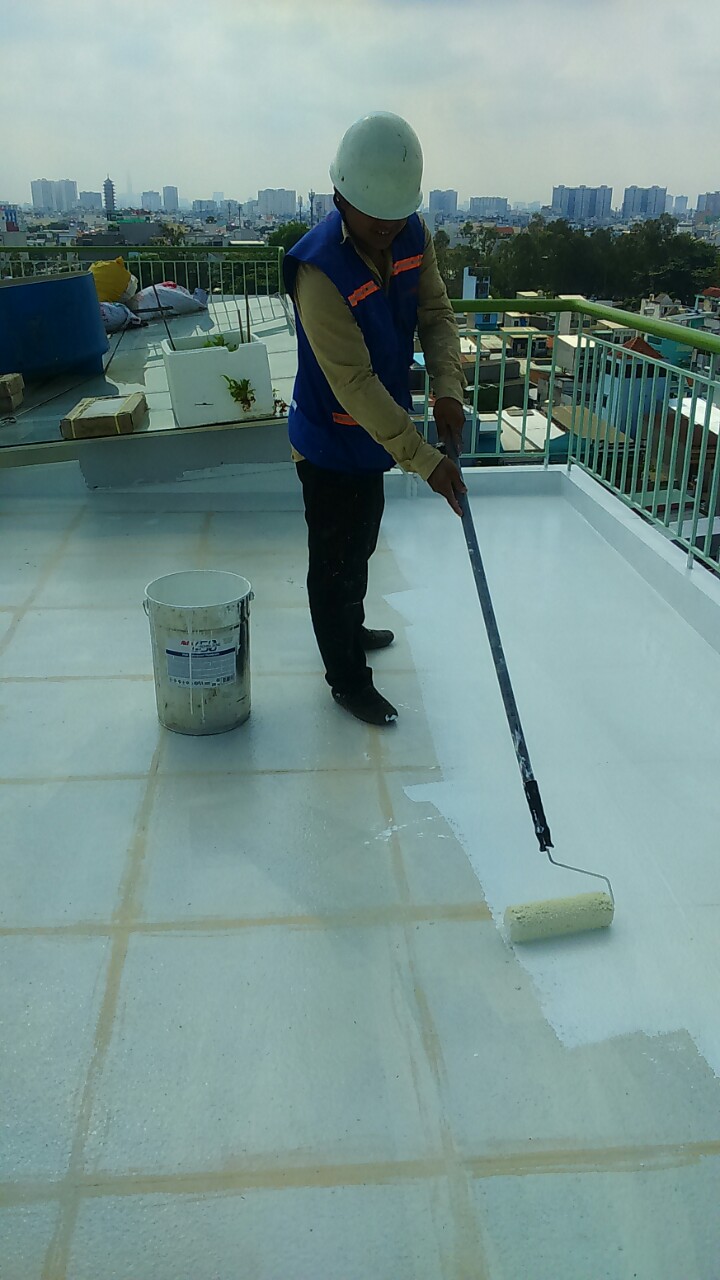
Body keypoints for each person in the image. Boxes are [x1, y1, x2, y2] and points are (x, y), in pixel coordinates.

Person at [283, 111, 467, 727]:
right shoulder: (318, 272)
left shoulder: (412, 235)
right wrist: (426, 461)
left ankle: (351, 626)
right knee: (333, 562)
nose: (388, 228)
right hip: (330, 438)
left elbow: (435, 315)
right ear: (340, 198)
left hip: (377, 437)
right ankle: (346, 679)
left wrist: (448, 390)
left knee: (361, 540)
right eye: (374, 217)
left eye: (397, 214)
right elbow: (354, 384)